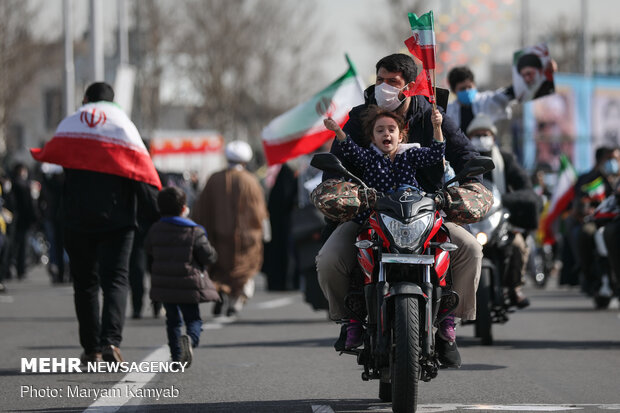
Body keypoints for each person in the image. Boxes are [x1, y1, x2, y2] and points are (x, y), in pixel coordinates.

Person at [318, 53, 486, 368]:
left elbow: (463, 153)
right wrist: (341, 191)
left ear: (409, 86)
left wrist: (471, 185)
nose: (383, 87)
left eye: (392, 82)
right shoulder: (357, 118)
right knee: (329, 259)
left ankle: (448, 325)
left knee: (472, 251)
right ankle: (351, 320)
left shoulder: (433, 115)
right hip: (368, 214)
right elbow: (338, 162)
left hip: (430, 214)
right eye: (379, 79)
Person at [30, 82, 161, 364]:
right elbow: (142, 173)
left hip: (76, 219)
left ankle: (91, 349)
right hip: (118, 220)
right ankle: (111, 342)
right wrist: (160, 212)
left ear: (86, 98)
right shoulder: (123, 125)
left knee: (85, 284)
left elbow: (50, 163)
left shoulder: (71, 123)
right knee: (115, 280)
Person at [324, 105, 445, 348]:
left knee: (443, 242)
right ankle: (354, 322)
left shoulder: (409, 155)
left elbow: (436, 152)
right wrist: (337, 130)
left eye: (392, 129)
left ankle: (445, 319)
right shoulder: (369, 157)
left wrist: (437, 126)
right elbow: (349, 149)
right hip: (374, 223)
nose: (386, 134)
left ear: (402, 135)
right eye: (380, 130)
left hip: (412, 223)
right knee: (359, 263)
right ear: (373, 137)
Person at [466, 114, 541, 307]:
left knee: (517, 245)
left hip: (499, 218)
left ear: (493, 136)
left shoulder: (505, 159)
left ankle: (513, 287)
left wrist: (504, 201)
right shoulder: (462, 158)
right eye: (476, 134)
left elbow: (526, 189)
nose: (481, 137)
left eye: (485, 134)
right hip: (468, 218)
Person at [192, 141, 269, 319]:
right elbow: (260, 212)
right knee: (243, 271)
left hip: (216, 237)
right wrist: (264, 233)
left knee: (218, 269)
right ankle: (235, 301)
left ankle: (220, 293)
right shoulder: (251, 181)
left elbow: (201, 209)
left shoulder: (214, 179)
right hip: (245, 240)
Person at [145, 186, 219, 366]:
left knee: (172, 321)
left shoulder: (156, 229)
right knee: (193, 318)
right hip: (189, 284)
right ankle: (191, 341)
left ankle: (176, 356)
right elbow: (208, 255)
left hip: (165, 285)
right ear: (183, 207)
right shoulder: (194, 231)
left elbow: (148, 249)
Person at [446, 65, 513, 133]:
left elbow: (503, 96)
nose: (467, 91)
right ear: (454, 91)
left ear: (474, 85)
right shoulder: (448, 110)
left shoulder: (485, 101)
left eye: (469, 87)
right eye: (462, 89)